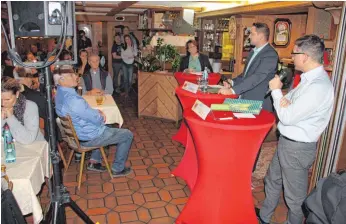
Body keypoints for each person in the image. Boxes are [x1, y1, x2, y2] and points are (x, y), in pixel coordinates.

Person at [256, 35, 334, 224]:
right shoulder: (307, 80)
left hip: (297, 149)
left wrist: (275, 90)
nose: (292, 57)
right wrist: (284, 101)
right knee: (272, 180)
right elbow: (288, 103)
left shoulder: (318, 86)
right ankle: (265, 217)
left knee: (295, 199)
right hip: (287, 143)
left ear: (305, 56)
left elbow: (287, 116)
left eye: (295, 53)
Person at [54, 65, 133, 176]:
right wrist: (100, 114)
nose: (76, 76)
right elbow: (97, 120)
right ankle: (117, 169)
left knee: (107, 125)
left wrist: (95, 113)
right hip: (87, 138)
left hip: (74, 136)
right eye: (71, 75)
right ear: (62, 79)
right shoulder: (74, 100)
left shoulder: (59, 94)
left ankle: (94, 161)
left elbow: (84, 113)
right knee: (127, 134)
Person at [219, 23, 278, 112]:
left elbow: (257, 76)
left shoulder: (270, 54)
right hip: (244, 100)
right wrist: (232, 82)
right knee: (218, 108)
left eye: (252, 34)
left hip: (256, 104)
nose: (249, 36)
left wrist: (233, 90)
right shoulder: (253, 51)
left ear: (261, 36)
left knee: (221, 110)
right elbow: (246, 75)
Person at [1, 77, 45, 144]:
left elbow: (28, 139)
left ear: (17, 94)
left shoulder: (29, 107)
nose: (3, 103)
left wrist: (10, 117)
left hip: (35, 148)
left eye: (7, 99)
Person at [14, 67, 49, 141]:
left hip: (17, 136)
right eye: (32, 77)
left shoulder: (11, 97)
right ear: (27, 78)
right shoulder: (36, 96)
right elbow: (49, 116)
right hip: (41, 138)